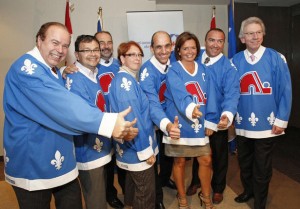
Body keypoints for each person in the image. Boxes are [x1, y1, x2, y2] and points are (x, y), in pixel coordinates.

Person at [3, 22, 136, 209]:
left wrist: (64, 70)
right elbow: (62, 105)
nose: (60, 50)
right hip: (33, 164)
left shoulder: (53, 69)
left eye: (65, 46)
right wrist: (108, 122)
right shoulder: (26, 69)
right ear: (39, 40)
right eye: (55, 43)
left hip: (64, 161)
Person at [232, 17, 292, 209]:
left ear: (263, 35)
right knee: (245, 162)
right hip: (242, 124)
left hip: (267, 124)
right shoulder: (235, 61)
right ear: (242, 38)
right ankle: (248, 190)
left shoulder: (276, 58)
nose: (254, 36)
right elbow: (231, 93)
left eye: (258, 32)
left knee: (262, 167)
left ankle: (260, 201)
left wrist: (281, 120)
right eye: (249, 33)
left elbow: (285, 91)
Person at [65, 35, 129, 209]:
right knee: (96, 198)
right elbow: (83, 115)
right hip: (88, 149)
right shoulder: (76, 78)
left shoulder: (93, 73)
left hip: (100, 143)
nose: (93, 54)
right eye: (87, 50)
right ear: (77, 55)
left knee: (99, 193)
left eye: (95, 49)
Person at [163, 31, 221, 209]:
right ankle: (182, 198)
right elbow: (179, 93)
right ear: (178, 50)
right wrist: (190, 109)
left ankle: (205, 196)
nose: (190, 51)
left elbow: (211, 96)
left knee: (206, 160)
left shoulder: (205, 70)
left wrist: (211, 120)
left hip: (200, 123)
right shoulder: (173, 70)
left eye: (193, 48)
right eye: (185, 48)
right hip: (178, 124)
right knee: (179, 162)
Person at [186, 28, 240, 205]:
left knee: (219, 155)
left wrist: (226, 116)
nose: (215, 45)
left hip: (217, 121)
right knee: (197, 152)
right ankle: (196, 181)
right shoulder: (194, 58)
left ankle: (218, 188)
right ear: (205, 40)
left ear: (223, 44)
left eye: (219, 41)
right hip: (195, 119)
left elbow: (232, 94)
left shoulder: (228, 67)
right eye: (211, 40)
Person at [108, 41, 157, 209]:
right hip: (138, 149)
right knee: (145, 193)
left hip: (129, 149)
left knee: (132, 188)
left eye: (139, 54)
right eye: (131, 54)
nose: (137, 58)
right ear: (122, 58)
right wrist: (145, 152)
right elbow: (133, 122)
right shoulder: (125, 84)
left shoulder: (127, 78)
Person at [139, 31, 181, 209]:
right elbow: (153, 103)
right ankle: (157, 197)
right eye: (158, 47)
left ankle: (165, 179)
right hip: (155, 123)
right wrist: (165, 124)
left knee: (168, 156)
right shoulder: (147, 70)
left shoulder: (176, 66)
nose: (163, 51)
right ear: (151, 48)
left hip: (172, 122)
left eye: (167, 46)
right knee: (154, 160)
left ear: (172, 46)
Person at [95, 31, 126, 209]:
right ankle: (109, 194)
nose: (106, 46)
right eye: (101, 43)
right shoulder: (88, 65)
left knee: (123, 159)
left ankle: (126, 190)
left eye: (109, 42)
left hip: (121, 121)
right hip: (101, 123)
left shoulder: (119, 64)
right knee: (107, 162)